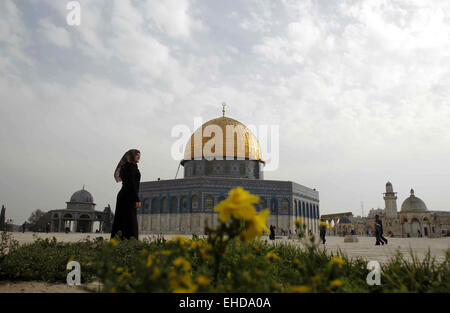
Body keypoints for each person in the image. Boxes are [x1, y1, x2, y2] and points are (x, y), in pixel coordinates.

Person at [111, 149, 141, 240]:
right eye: (137, 155)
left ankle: (119, 241)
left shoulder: (126, 166)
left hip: (125, 195)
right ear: (131, 156)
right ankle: (129, 242)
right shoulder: (131, 166)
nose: (139, 157)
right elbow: (131, 184)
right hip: (128, 196)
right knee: (130, 221)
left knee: (122, 220)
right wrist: (136, 199)